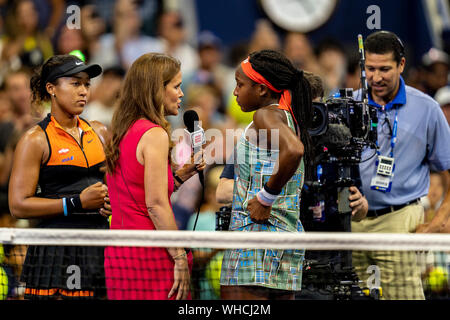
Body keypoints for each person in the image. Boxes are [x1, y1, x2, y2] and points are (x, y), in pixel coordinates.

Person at [351, 31, 450, 300]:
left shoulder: (428, 110)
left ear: (402, 65)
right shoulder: (348, 105)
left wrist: (434, 226)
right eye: (370, 69)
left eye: (385, 69)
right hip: (350, 224)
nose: (376, 77)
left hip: (400, 223)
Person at [8, 54, 111, 299]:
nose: (83, 91)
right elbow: (18, 205)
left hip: (98, 246)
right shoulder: (35, 139)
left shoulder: (99, 131)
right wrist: (77, 202)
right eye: (75, 83)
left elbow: (113, 187)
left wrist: (110, 203)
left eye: (86, 84)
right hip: (54, 251)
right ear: (51, 88)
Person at [104, 53, 205, 300]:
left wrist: (180, 176)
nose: (182, 94)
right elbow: (155, 204)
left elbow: (136, 192)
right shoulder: (155, 135)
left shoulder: (122, 129)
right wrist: (179, 256)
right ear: (156, 89)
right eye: (177, 86)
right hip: (151, 256)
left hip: (118, 256)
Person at [219, 49, 313, 300]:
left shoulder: (265, 115)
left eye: (240, 84)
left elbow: (294, 150)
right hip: (284, 244)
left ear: (261, 89)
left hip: (254, 245)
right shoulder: (286, 116)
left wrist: (264, 198)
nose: (235, 92)